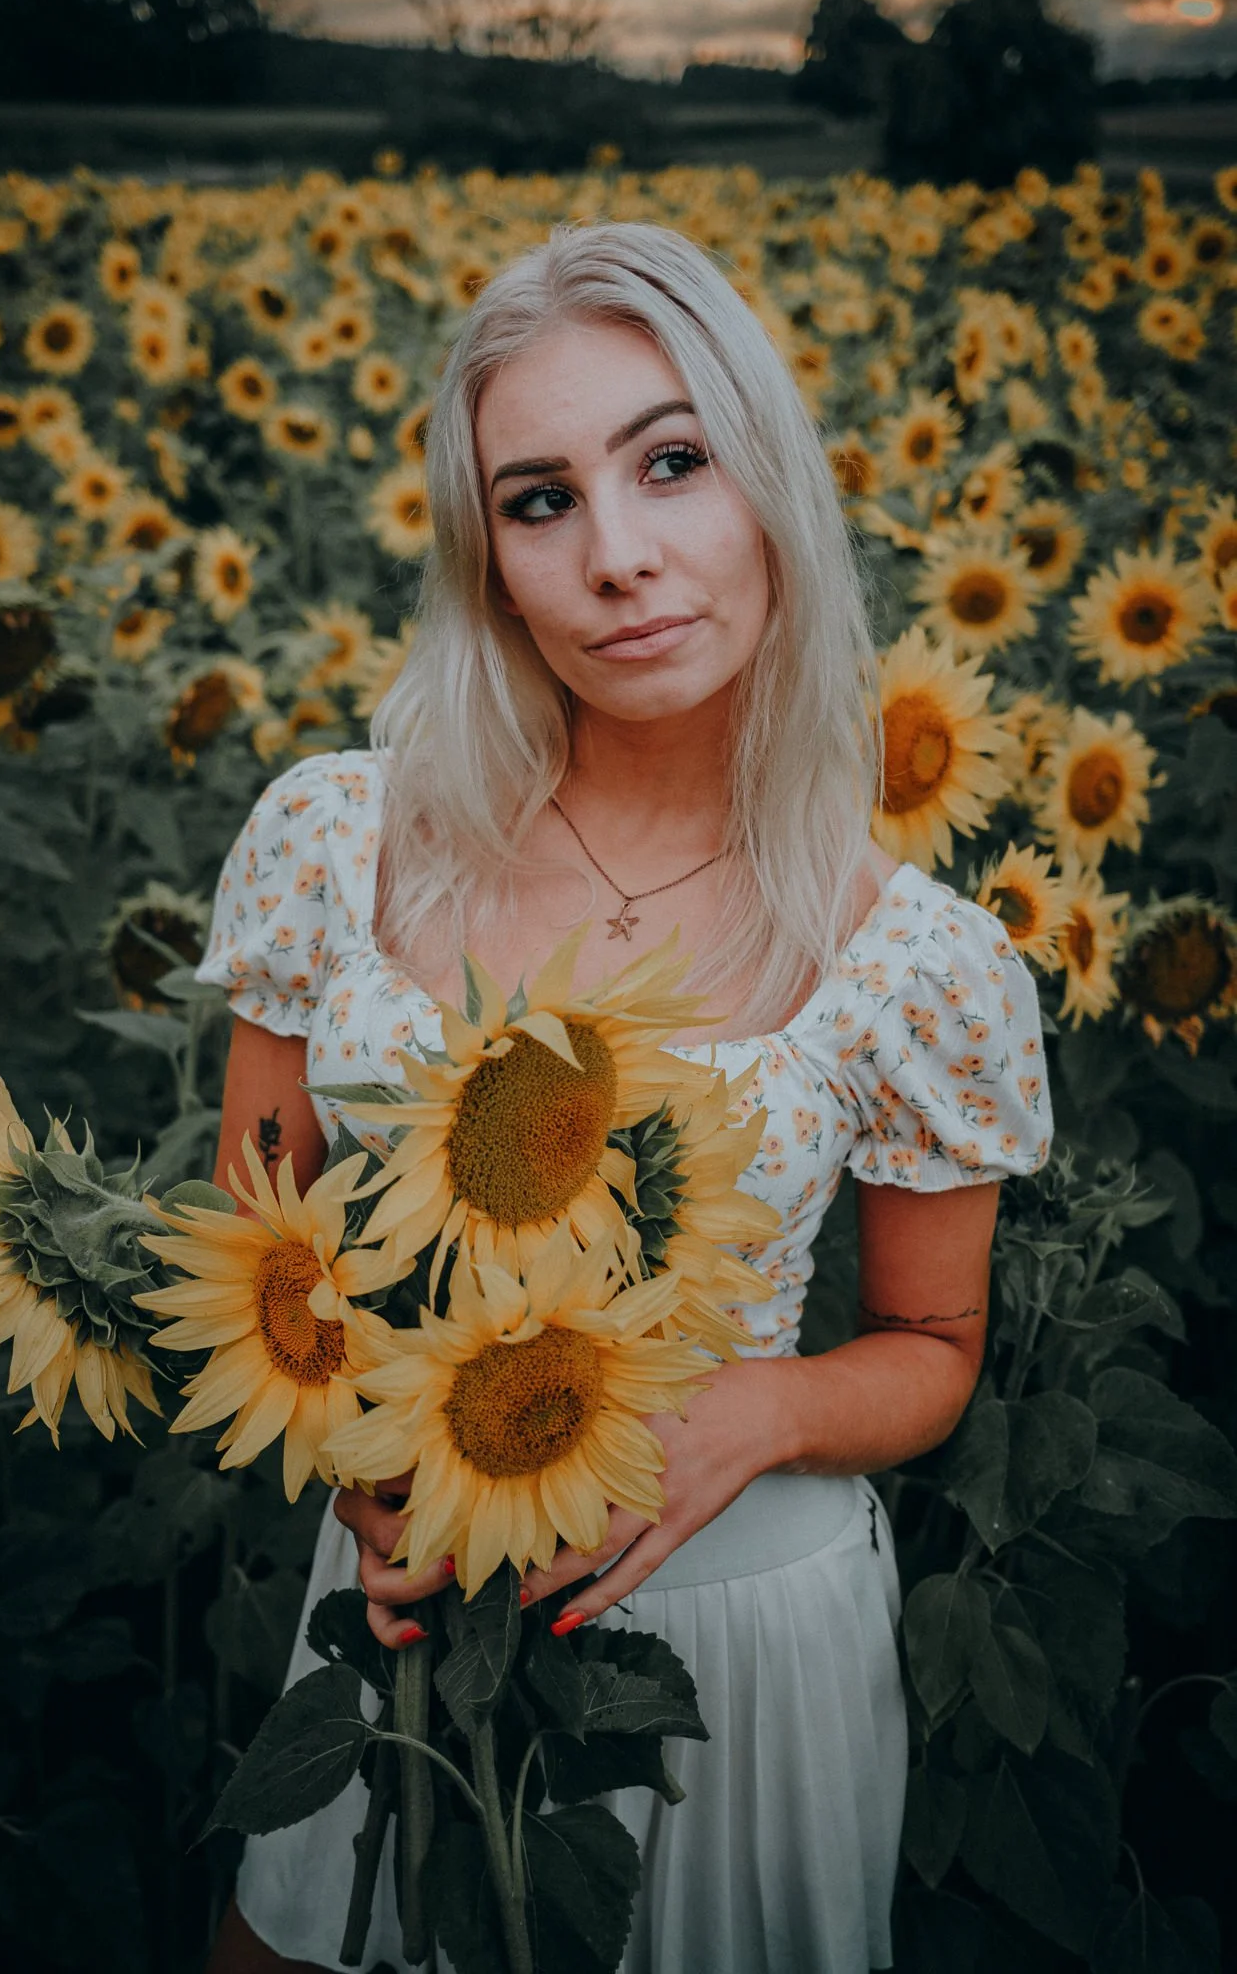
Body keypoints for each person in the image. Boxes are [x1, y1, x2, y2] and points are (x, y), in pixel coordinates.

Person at [199, 221, 1053, 1974]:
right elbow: (258, 1238)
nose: (619, 557)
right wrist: (355, 1454)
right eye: (540, 500)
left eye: (673, 462)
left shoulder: (921, 963)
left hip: (746, 1646)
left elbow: (937, 1347)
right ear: (488, 562)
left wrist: (766, 1413)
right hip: (403, 1608)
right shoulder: (339, 841)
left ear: (770, 494)